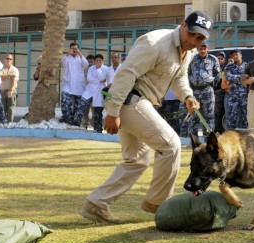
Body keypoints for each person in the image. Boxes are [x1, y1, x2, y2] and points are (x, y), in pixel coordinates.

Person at [79, 11, 211, 223]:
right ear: (182, 24)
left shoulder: (187, 51)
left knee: (136, 161)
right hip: (130, 101)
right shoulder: (155, 43)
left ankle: (96, 204)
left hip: (141, 103)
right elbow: (126, 73)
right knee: (171, 145)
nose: (193, 41)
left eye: (200, 38)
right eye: (192, 34)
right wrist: (112, 112)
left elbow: (179, 77)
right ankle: (160, 205)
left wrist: (187, 96)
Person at [182, 41, 220, 139]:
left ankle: (209, 140)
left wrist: (211, 85)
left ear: (207, 48)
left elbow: (217, 74)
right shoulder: (192, 59)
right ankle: (194, 140)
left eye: (204, 48)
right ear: (197, 49)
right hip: (195, 92)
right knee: (194, 116)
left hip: (207, 91)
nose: (202, 50)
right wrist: (191, 87)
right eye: (200, 48)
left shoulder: (213, 59)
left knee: (209, 116)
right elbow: (188, 73)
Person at [75, 53, 107, 132]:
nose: (98, 61)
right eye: (97, 60)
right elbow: (89, 79)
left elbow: (103, 78)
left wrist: (100, 77)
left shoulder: (106, 68)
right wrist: (99, 80)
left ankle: (98, 129)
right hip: (89, 90)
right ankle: (76, 123)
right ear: (95, 61)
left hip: (99, 92)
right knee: (82, 104)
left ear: (102, 61)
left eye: (100, 60)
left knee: (97, 112)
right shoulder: (91, 68)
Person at [60, 42, 88, 125]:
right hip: (68, 85)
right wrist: (68, 54)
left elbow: (86, 65)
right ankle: (66, 118)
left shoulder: (81, 58)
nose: (74, 50)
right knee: (65, 101)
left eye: (76, 49)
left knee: (77, 106)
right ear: (70, 49)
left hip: (78, 86)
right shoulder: (67, 58)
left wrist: (81, 55)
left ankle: (74, 121)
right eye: (73, 49)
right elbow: (62, 64)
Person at [224, 49, 248, 129]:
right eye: (233, 55)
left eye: (236, 54)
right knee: (231, 119)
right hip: (233, 97)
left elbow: (249, 78)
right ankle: (230, 138)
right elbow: (229, 77)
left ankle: (246, 138)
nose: (234, 56)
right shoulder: (229, 67)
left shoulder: (247, 66)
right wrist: (242, 77)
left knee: (246, 119)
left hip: (245, 97)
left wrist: (236, 78)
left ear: (241, 55)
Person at [0, 54, 19, 123]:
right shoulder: (1, 69)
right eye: (7, 58)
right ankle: (3, 124)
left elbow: (14, 81)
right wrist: (9, 75)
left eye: (10, 59)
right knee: (2, 108)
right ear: (4, 59)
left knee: (10, 109)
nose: (8, 60)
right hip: (2, 91)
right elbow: (0, 78)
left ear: (12, 61)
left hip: (11, 91)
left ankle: (10, 123)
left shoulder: (14, 69)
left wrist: (11, 90)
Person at [213, 51, 227, 133]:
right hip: (216, 94)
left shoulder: (226, 69)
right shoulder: (213, 69)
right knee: (216, 113)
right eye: (218, 58)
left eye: (222, 58)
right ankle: (215, 130)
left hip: (225, 93)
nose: (220, 60)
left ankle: (221, 130)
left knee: (224, 112)